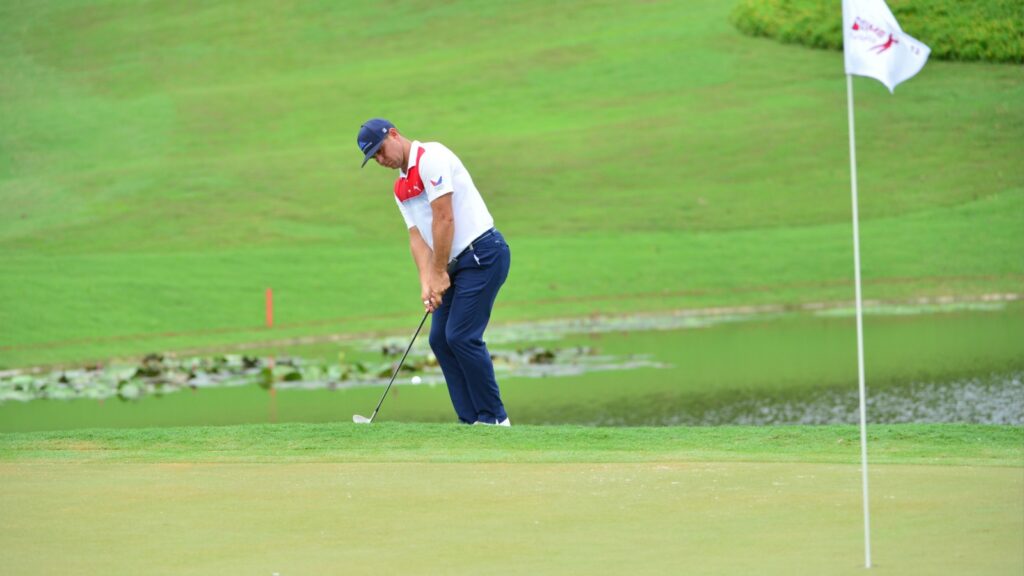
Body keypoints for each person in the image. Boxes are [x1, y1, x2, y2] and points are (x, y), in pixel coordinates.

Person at [357, 118, 512, 426]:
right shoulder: (400, 188)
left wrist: (439, 272)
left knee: (462, 336)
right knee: (440, 340)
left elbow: (444, 219)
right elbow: (418, 238)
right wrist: (427, 281)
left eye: (380, 150)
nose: (381, 160)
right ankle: (470, 421)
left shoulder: (432, 158)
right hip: (453, 264)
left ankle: (495, 420)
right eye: (373, 158)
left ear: (394, 134)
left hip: (483, 253)